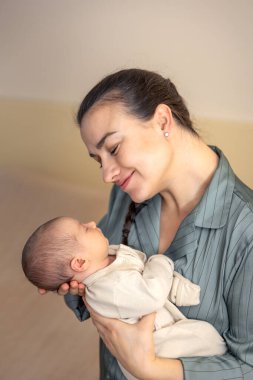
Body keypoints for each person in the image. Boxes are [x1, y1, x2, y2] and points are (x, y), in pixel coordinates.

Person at [39, 68, 253, 380]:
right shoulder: (127, 194)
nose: (107, 174)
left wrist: (150, 370)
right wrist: (76, 282)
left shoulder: (245, 232)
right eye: (99, 160)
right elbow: (98, 278)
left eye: (112, 148)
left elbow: (248, 366)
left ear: (163, 121)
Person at [22, 216, 226, 380]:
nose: (92, 223)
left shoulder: (106, 259)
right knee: (209, 343)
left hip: (155, 338)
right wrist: (161, 262)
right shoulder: (109, 287)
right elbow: (152, 294)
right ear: (80, 262)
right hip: (159, 345)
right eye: (84, 228)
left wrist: (176, 286)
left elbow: (138, 269)